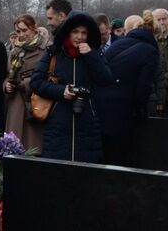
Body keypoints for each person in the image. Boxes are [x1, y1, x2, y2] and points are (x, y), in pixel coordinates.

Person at [30, 11, 114, 162]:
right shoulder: (54, 53)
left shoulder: (95, 53)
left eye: (84, 33)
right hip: (58, 123)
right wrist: (61, 91)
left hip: (87, 123)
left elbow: (106, 79)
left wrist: (91, 56)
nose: (80, 36)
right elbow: (36, 82)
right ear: (68, 32)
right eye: (75, 32)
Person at [96, 13, 159, 166]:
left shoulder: (118, 44)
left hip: (100, 107)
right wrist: (141, 114)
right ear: (155, 34)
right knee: (121, 160)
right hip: (122, 111)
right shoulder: (150, 51)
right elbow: (143, 89)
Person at [4, 15, 50, 152]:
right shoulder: (14, 50)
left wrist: (28, 83)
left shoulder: (46, 48)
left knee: (33, 147)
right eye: (18, 31)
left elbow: (51, 76)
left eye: (25, 30)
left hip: (35, 103)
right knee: (13, 147)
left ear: (34, 29)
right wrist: (7, 86)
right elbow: (7, 75)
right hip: (16, 103)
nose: (21, 35)